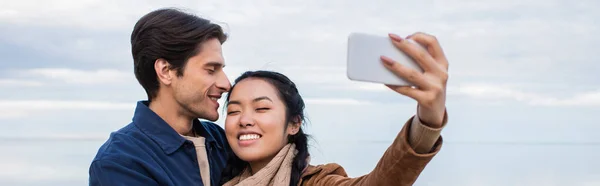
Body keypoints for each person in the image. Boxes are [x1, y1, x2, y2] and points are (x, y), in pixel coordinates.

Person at [220, 33, 449, 186]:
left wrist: (429, 119)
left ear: (294, 124)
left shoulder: (317, 181)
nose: (245, 120)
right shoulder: (216, 175)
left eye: (261, 108)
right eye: (233, 111)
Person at [89, 8, 233, 186]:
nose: (226, 84)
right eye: (211, 70)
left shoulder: (221, 141)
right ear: (165, 71)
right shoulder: (119, 163)